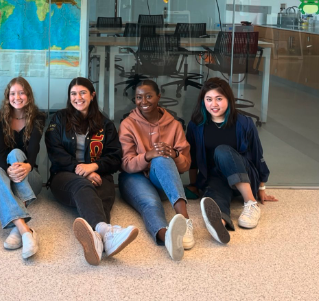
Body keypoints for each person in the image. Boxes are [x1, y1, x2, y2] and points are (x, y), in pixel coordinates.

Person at [45, 77, 138, 266]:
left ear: (92, 95)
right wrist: (83, 171)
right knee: (83, 185)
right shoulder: (59, 119)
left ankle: (97, 239)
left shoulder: (105, 124)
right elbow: (55, 152)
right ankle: (107, 233)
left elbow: (115, 157)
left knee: (103, 194)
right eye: (73, 93)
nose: (77, 97)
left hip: (99, 174)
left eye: (82, 93)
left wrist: (94, 167)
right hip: (64, 176)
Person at [186, 77, 278, 245]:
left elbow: (258, 154)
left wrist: (261, 187)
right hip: (216, 177)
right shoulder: (196, 125)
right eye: (209, 99)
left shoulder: (244, 123)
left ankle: (250, 203)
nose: (214, 104)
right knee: (214, 191)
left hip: (246, 176)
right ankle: (219, 223)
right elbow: (192, 156)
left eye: (219, 99)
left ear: (228, 99)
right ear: (203, 102)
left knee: (222, 151)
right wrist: (194, 184)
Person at [118, 80, 193, 261]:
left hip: (163, 181)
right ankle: (167, 237)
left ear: (159, 97)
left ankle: (184, 221)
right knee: (150, 204)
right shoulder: (128, 124)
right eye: (138, 97)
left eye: (149, 96)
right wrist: (147, 156)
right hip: (134, 178)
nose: (143, 101)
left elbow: (185, 165)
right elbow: (126, 164)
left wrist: (174, 154)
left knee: (162, 157)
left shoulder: (174, 125)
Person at [0, 77, 44, 259]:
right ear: (7, 96)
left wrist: (27, 165)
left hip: (30, 177)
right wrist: (9, 170)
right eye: (13, 93)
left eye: (21, 93)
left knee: (16, 154)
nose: (17, 97)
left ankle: (17, 224)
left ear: (28, 95)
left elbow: (33, 151)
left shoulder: (38, 117)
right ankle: (25, 231)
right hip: (4, 178)